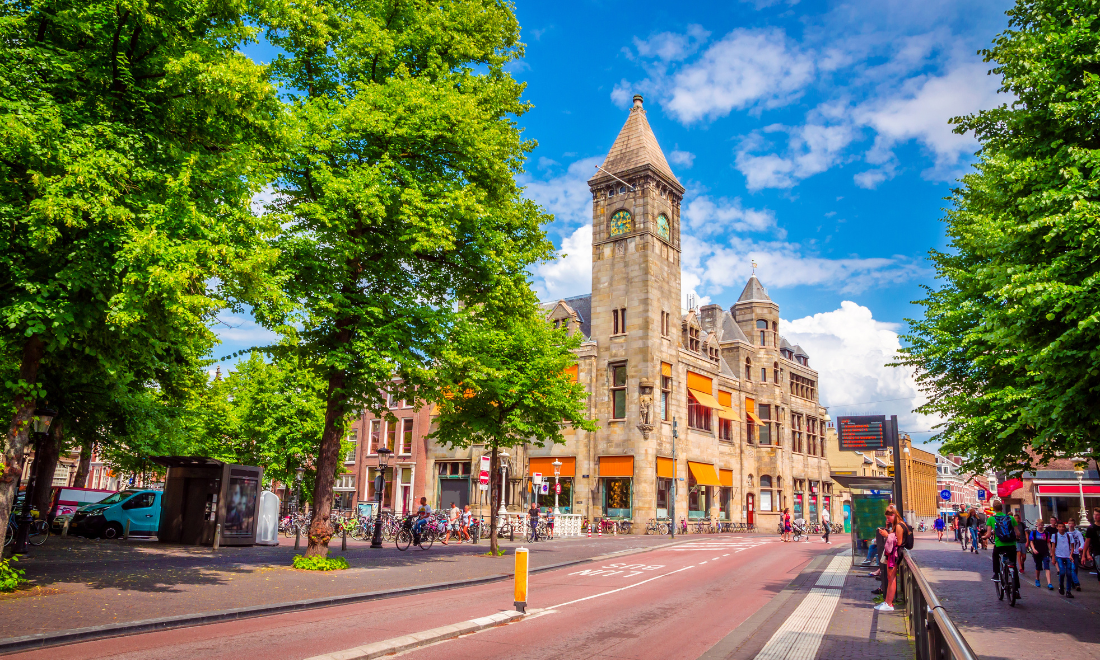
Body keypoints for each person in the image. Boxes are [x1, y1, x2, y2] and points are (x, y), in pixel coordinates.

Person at [984, 501, 1020, 599]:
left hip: (1000, 545)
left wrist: (984, 537)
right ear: (1002, 508)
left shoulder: (991, 519)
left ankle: (996, 574)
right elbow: (1018, 533)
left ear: (994, 509)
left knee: (995, 555)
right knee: (1014, 565)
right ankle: (1016, 589)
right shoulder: (1011, 518)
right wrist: (1017, 538)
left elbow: (988, 534)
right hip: (1011, 545)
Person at [874, 504, 906, 612]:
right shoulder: (897, 525)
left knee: (891, 578)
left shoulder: (899, 526)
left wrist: (886, 535)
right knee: (889, 578)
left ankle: (889, 603)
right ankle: (887, 601)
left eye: (888, 517)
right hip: (892, 554)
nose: (888, 520)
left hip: (894, 555)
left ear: (893, 515)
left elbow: (899, 542)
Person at [1051, 522, 1077, 598]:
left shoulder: (1069, 536)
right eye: (1060, 527)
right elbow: (1053, 547)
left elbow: (1072, 546)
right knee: (1062, 571)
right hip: (1059, 556)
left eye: (1063, 527)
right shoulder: (1055, 536)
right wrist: (1053, 557)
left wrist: (1071, 554)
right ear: (1057, 527)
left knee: (1069, 573)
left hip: (1067, 556)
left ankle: (1068, 591)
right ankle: (1061, 585)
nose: (1062, 528)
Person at [1027, 519, 1053, 590]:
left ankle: (1049, 583)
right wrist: (1033, 549)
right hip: (1037, 552)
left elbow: (1048, 543)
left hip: (1045, 551)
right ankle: (1037, 579)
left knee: (1047, 566)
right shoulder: (1034, 533)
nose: (1041, 526)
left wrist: (1050, 551)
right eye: (1039, 525)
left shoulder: (1046, 533)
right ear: (1037, 525)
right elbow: (1031, 542)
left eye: (1042, 525)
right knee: (1038, 567)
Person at [1082, 508, 1100, 586]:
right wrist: (1084, 555)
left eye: (1097, 515)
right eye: (1094, 514)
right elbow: (1087, 542)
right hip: (1097, 552)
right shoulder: (1091, 528)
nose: (1095, 516)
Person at [1066, 519, 1084, 591]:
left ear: (1074, 524)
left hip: (1075, 552)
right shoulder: (1066, 533)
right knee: (1071, 568)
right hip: (1068, 553)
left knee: (1075, 567)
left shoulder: (1078, 533)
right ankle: (1075, 583)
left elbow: (1082, 541)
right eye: (1069, 523)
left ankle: (1073, 581)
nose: (1071, 525)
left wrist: (1080, 547)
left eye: (1072, 523)